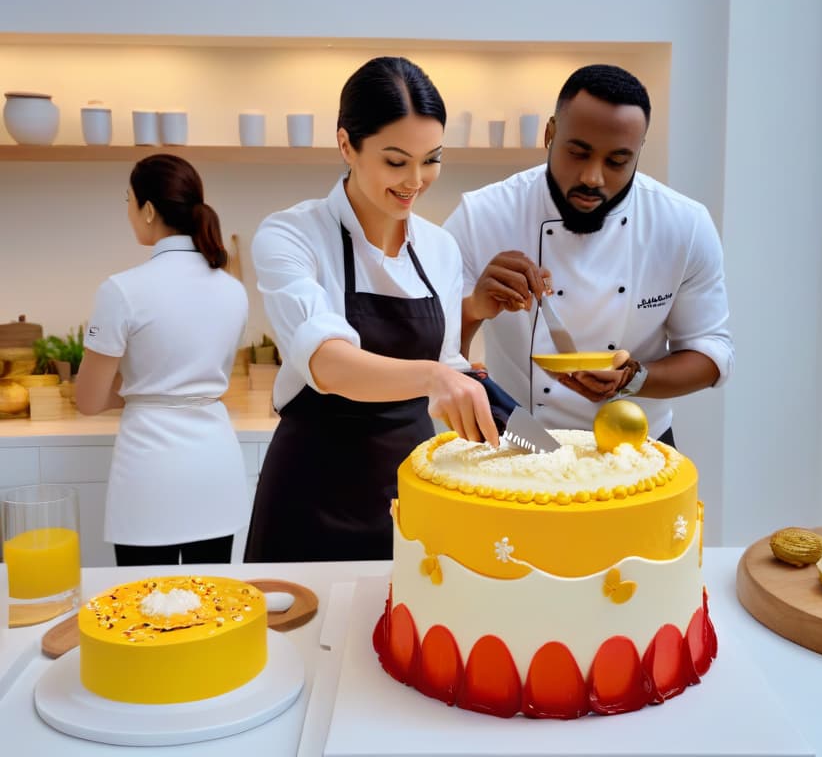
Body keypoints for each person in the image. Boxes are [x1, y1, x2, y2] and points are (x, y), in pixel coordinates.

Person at [244, 56, 498, 563]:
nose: (417, 180)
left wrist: (544, 451)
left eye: (432, 158)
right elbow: (328, 363)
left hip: (410, 488)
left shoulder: (441, 248)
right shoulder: (292, 234)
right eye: (396, 161)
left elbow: (447, 362)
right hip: (310, 491)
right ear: (346, 146)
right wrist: (435, 377)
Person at [448, 64, 734, 445]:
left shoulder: (684, 224)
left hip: (637, 448)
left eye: (617, 161)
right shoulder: (481, 215)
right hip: (519, 446)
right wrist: (474, 308)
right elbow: (430, 347)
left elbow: (711, 352)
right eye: (578, 153)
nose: (593, 177)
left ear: (638, 152)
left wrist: (636, 379)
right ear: (550, 134)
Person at [76, 153, 249, 566]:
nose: (129, 212)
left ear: (148, 209)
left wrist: (141, 389)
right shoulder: (233, 290)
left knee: (143, 612)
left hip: (148, 475)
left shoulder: (121, 290)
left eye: (129, 201)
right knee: (211, 607)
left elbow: (88, 399)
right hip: (216, 467)